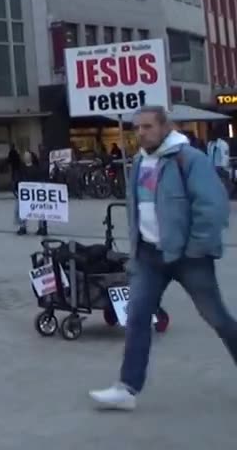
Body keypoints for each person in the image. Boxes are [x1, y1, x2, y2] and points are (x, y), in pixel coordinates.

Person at [90, 106, 237, 410]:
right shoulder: (140, 161)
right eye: (137, 128)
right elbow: (137, 209)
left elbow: (213, 207)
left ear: (165, 127)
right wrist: (135, 251)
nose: (141, 133)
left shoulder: (188, 159)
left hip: (188, 257)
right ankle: (127, 389)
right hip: (149, 257)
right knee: (137, 317)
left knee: (217, 318)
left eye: (147, 127)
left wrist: (196, 248)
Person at [14, 151, 49, 236]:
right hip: (24, 193)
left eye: (27, 156)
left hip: (35, 193)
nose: (26, 157)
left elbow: (41, 179)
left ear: (31, 157)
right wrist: (16, 189)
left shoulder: (37, 168)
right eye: (25, 156)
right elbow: (16, 179)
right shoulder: (20, 168)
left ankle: (42, 227)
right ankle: (22, 227)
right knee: (21, 209)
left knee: (40, 209)